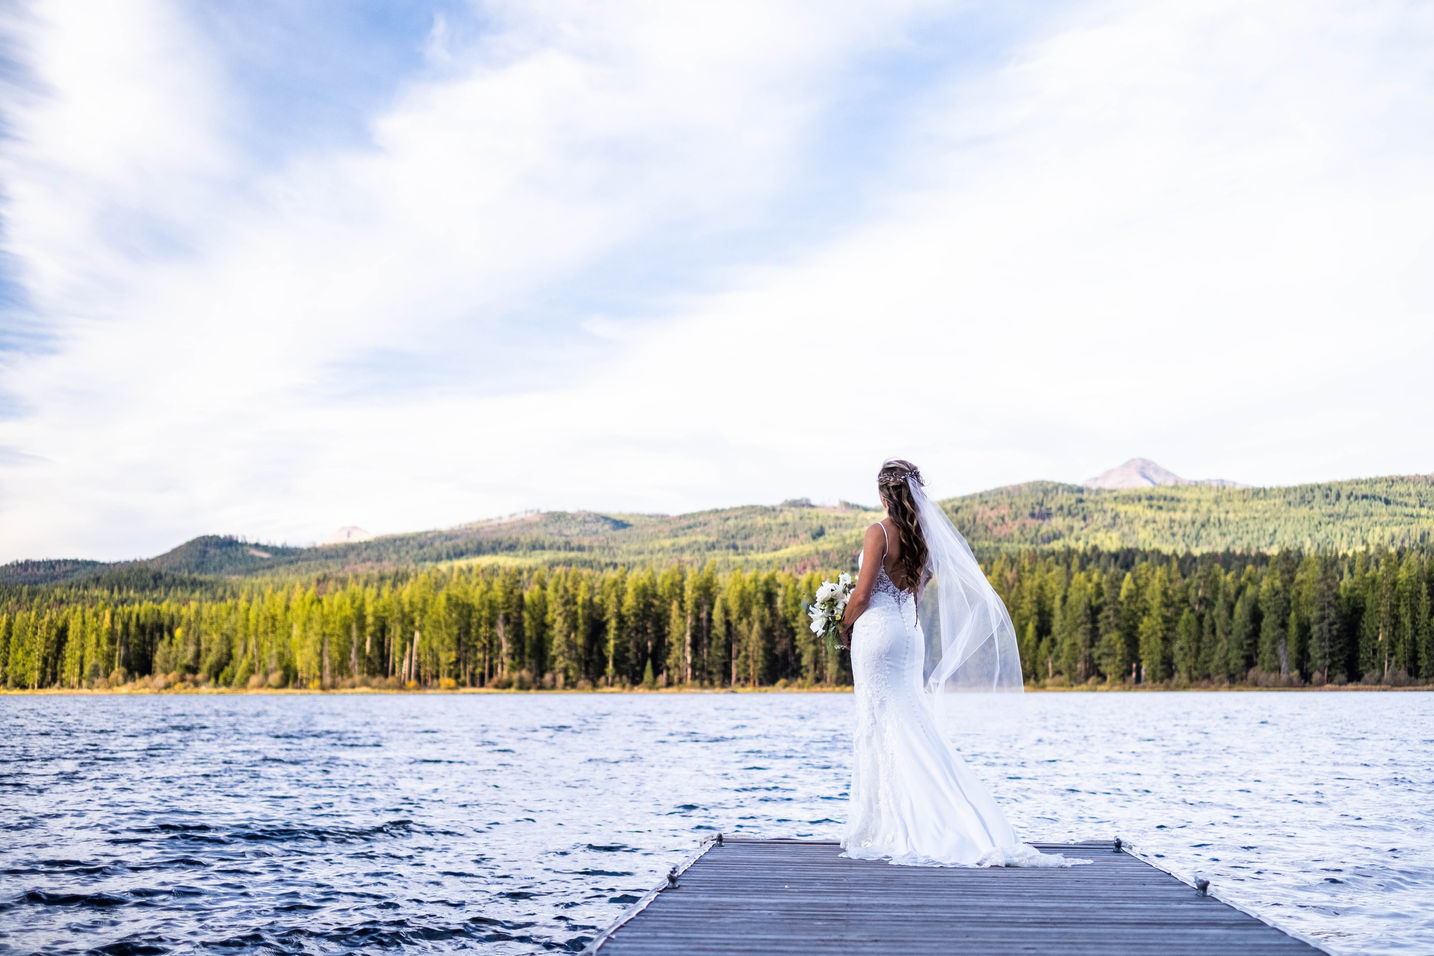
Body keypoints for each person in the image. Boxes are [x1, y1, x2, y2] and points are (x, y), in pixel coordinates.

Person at [836, 458, 1087, 867]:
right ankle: (937, 814)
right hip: (908, 633)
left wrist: (843, 625)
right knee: (910, 717)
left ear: (883, 494)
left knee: (881, 720)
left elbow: (862, 596)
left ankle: (891, 824)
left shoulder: (877, 532)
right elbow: (916, 588)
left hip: (878, 634)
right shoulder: (923, 537)